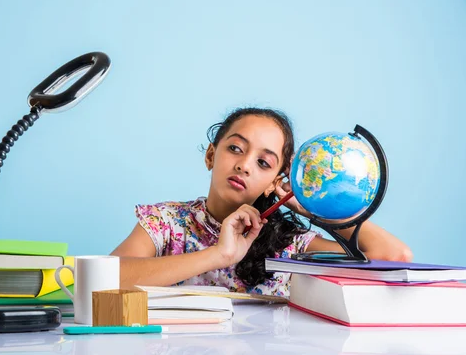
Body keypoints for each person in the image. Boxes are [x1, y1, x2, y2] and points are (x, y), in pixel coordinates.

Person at [111, 107, 412, 296]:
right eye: (235, 148)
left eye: (264, 163)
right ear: (211, 155)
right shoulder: (167, 222)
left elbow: (393, 256)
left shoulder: (290, 243)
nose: (245, 165)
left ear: (276, 180)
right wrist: (219, 255)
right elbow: (104, 279)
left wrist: (311, 206)